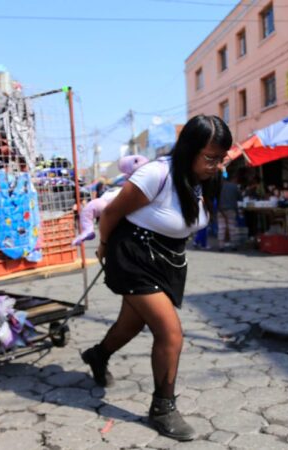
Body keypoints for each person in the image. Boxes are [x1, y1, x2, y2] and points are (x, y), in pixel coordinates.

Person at [81, 115, 232, 441]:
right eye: (211, 157)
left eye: (221, 158)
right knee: (171, 332)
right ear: (189, 148)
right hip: (133, 255)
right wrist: (104, 247)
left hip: (167, 261)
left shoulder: (201, 178)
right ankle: (162, 407)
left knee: (130, 324)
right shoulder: (156, 173)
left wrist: (212, 169)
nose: (217, 165)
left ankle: (98, 355)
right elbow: (111, 214)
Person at [217, 173, 241, 251]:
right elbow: (239, 197)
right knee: (232, 227)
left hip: (220, 209)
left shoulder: (218, 187)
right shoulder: (234, 186)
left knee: (221, 228)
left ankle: (221, 246)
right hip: (231, 209)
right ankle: (233, 245)